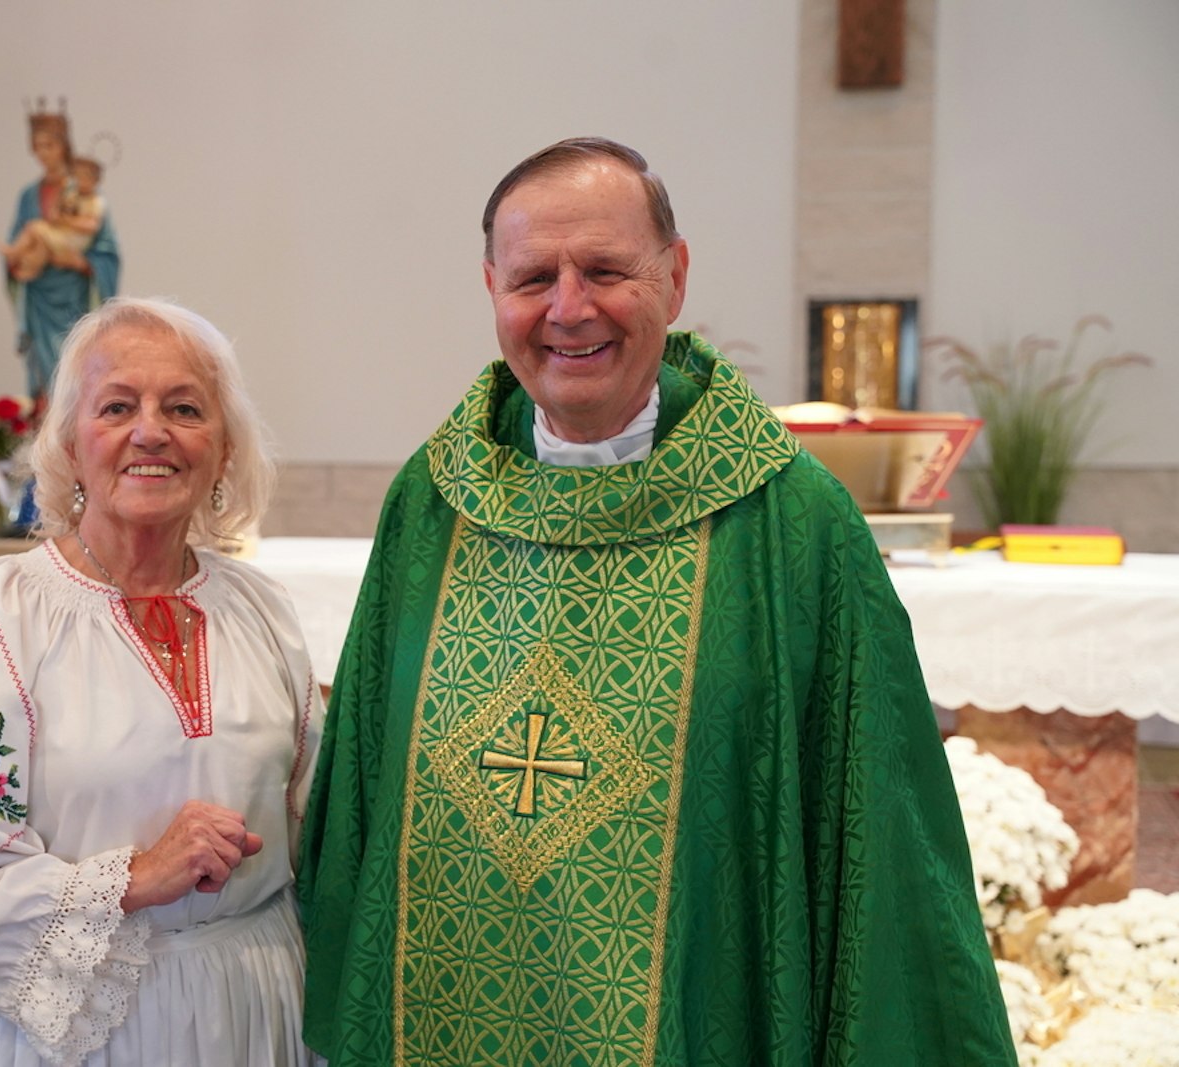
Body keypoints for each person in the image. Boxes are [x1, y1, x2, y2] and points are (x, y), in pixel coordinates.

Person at [298, 138, 1017, 1065]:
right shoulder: (432, 504)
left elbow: (878, 823)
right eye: (532, 279)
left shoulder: (788, 519)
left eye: (604, 270)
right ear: (490, 290)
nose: (568, 308)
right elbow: (361, 788)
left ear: (674, 278)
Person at [0, 296, 324, 1065]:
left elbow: (322, 823)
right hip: (82, 1030)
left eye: (185, 407)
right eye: (117, 406)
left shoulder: (259, 608)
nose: (152, 431)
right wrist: (133, 878)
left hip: (255, 1008)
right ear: (72, 445)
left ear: (224, 450)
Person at [6, 107, 121, 400]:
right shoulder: (29, 196)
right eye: (37, 147)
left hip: (74, 298)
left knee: (76, 375)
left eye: (50, 145)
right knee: (44, 378)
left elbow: (107, 252)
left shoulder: (86, 194)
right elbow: (15, 243)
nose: (43, 153)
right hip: (39, 299)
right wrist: (15, 263)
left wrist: (80, 262)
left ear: (64, 146)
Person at [0, 156, 108, 283]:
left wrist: (66, 221)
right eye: (76, 176)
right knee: (38, 238)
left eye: (84, 177)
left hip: (73, 240)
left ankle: (16, 252)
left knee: (36, 230)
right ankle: (27, 266)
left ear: (94, 180)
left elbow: (92, 226)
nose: (79, 181)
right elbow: (60, 209)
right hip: (62, 233)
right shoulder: (72, 193)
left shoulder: (95, 202)